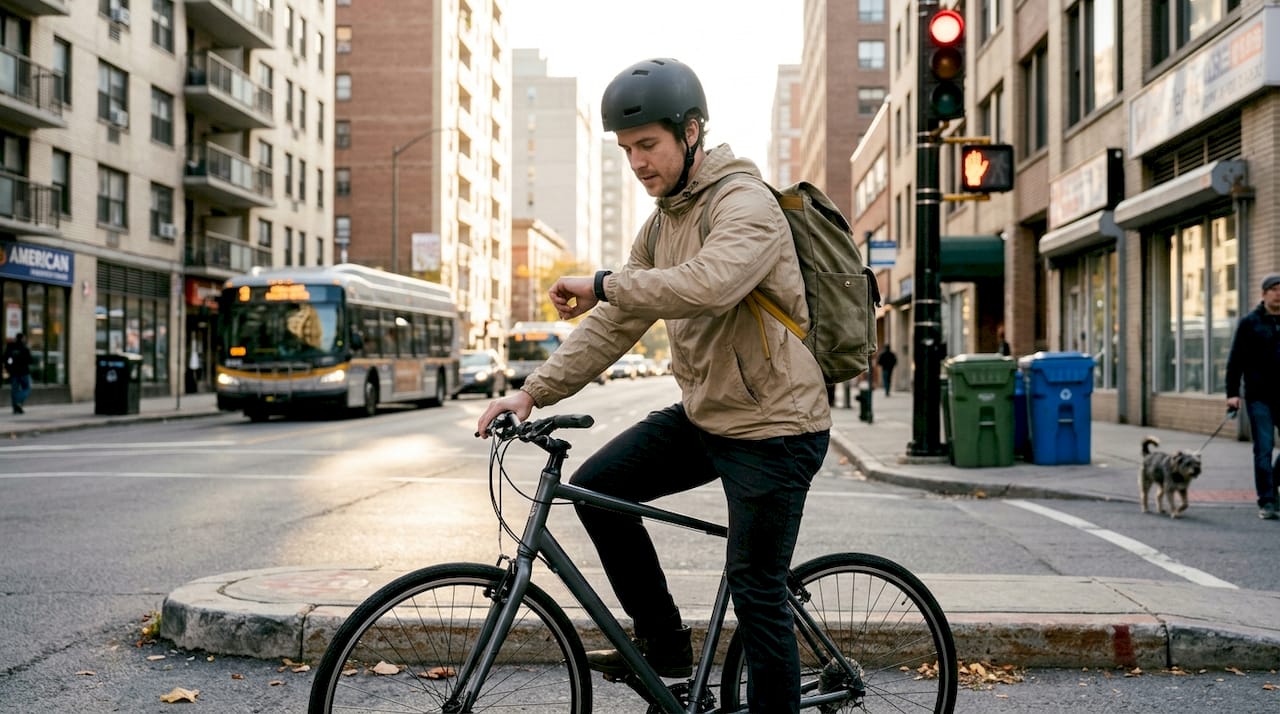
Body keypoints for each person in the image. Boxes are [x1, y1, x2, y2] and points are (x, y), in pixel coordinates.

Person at [475, 57, 830, 713]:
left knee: (755, 589)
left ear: (692, 131)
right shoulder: (663, 221)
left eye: (648, 145)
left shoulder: (745, 204)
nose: (637, 162)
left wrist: (604, 280)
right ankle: (664, 643)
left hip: (777, 427)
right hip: (710, 415)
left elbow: (708, 284)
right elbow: (615, 323)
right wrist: (532, 392)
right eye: (626, 149)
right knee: (600, 488)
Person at [1225, 273, 1280, 520]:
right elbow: (1235, 360)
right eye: (1274, 289)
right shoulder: (1250, 323)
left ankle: (1272, 483)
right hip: (1260, 397)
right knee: (1264, 449)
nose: (1278, 293)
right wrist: (1232, 393)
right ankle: (1267, 501)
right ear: (1264, 294)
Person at [4, 332, 33, 415]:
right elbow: (30, 360)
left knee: (14, 390)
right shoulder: (24, 348)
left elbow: (6, 359)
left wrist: (9, 368)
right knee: (27, 388)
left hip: (14, 373)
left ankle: (16, 407)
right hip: (24, 373)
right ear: (23, 338)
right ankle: (18, 401)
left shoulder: (11, 348)